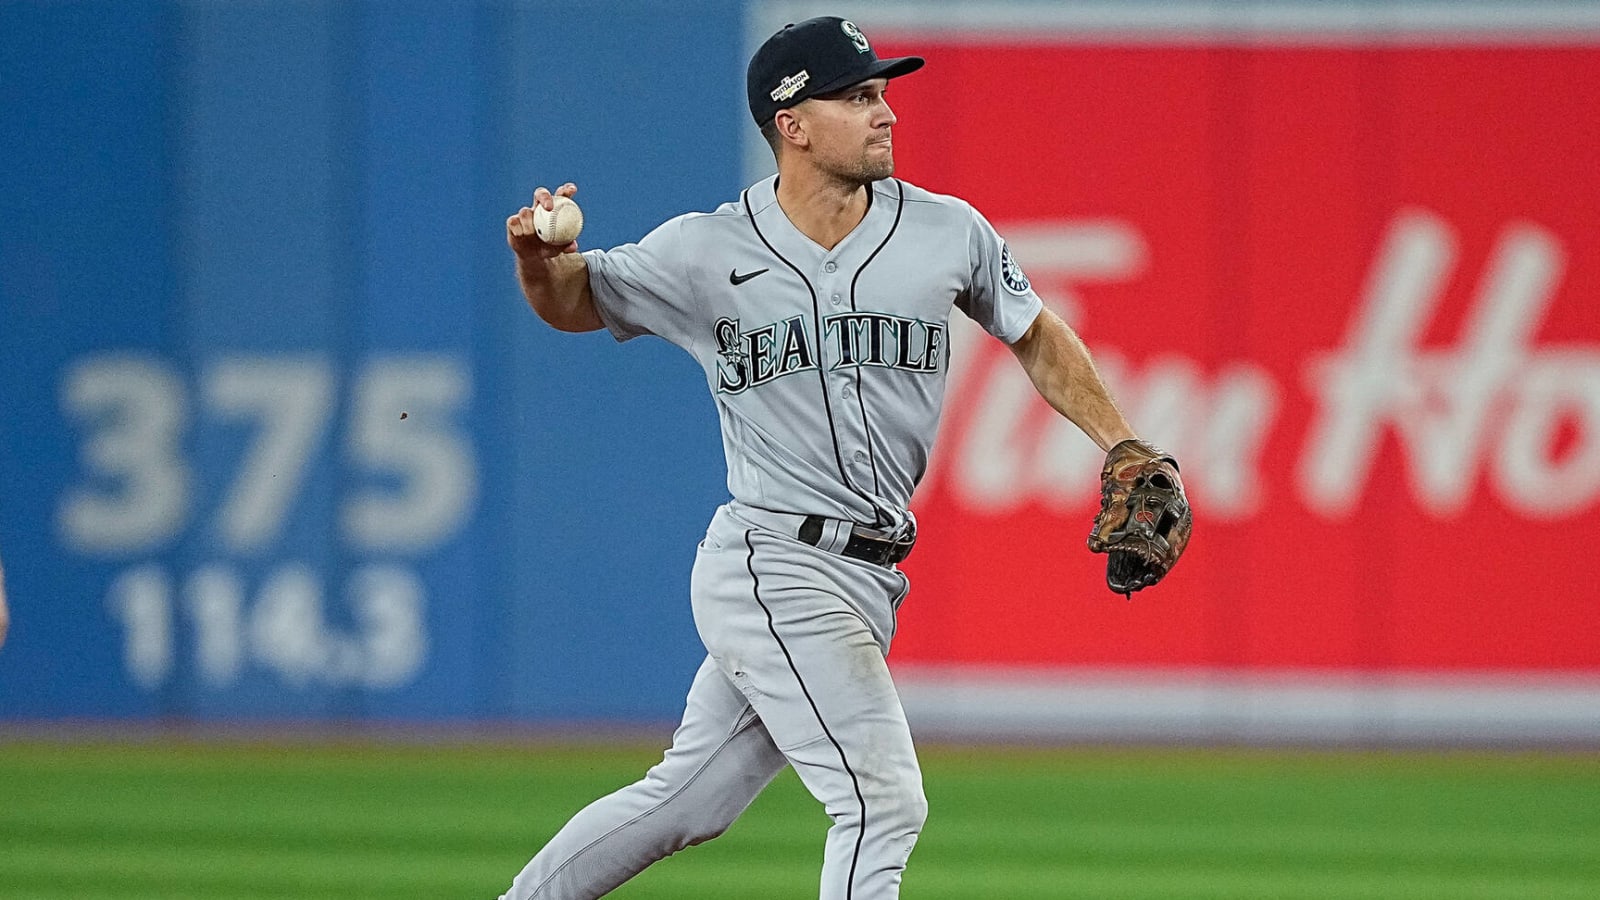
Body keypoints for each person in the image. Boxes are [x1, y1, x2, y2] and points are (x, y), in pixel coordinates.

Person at [500, 17, 1147, 900]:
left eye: (883, 94)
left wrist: (1124, 441)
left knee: (688, 800)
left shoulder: (946, 231)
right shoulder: (705, 250)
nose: (885, 113)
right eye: (858, 97)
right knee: (883, 800)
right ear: (792, 123)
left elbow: (1036, 334)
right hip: (774, 560)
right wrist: (544, 257)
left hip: (869, 576)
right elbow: (578, 301)